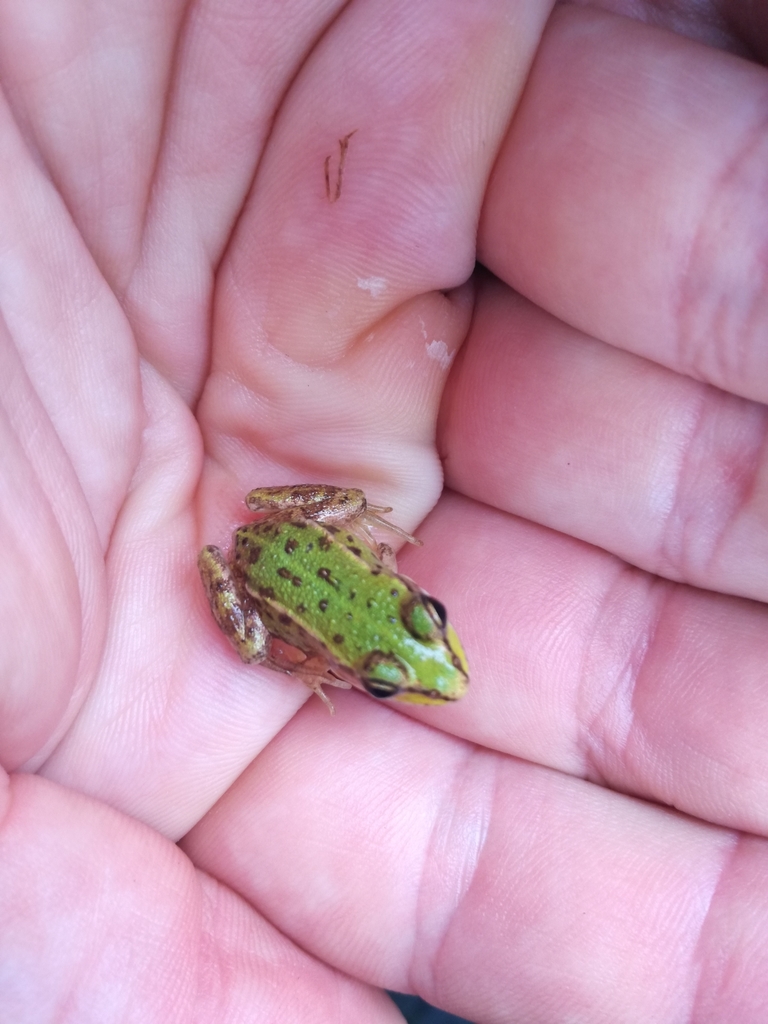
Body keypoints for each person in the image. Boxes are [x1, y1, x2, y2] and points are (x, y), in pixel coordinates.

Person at [1, 1, 766, 1020]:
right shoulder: (339, 646)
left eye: (418, 633)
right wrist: (302, 662)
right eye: (404, 661)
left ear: (410, 604)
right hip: (267, 562)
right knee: (265, 639)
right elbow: (280, 628)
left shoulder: (378, 611)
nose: (430, 651)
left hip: (290, 535)